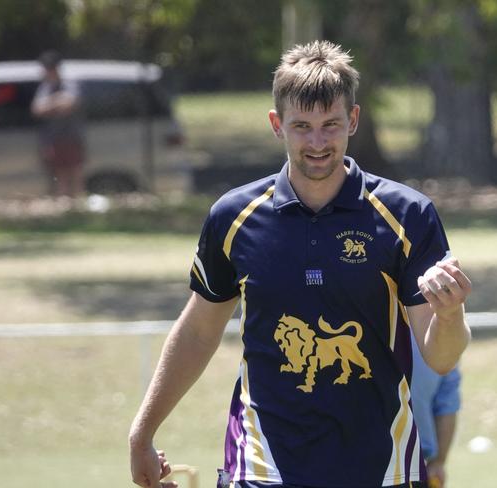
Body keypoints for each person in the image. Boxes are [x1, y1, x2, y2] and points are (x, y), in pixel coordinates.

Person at [129, 40, 472, 488]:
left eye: (330, 125)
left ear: (353, 119)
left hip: (380, 467)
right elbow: (197, 332)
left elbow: (441, 358)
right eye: (302, 126)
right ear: (277, 124)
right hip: (261, 467)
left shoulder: (407, 216)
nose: (317, 142)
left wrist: (449, 314)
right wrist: (142, 431)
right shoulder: (234, 218)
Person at [31, 50, 85, 197]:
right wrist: (58, 101)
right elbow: (37, 109)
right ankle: (65, 205)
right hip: (53, 138)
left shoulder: (69, 83)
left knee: (75, 173)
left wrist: (50, 104)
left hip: (72, 136)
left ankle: (78, 203)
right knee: (60, 175)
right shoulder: (45, 87)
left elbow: (71, 104)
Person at [410, 336, 462, 488]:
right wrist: (438, 463)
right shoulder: (438, 330)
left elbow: (446, 405)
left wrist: (437, 463)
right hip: (417, 467)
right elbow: (447, 406)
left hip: (360, 461)